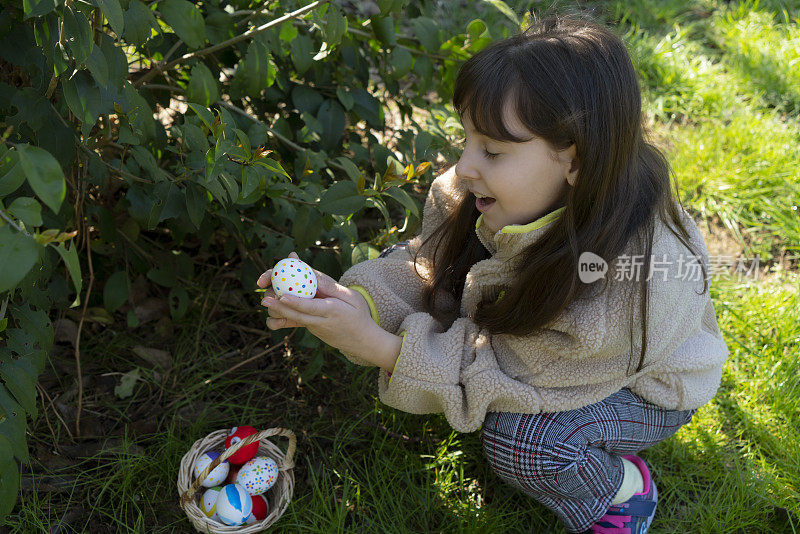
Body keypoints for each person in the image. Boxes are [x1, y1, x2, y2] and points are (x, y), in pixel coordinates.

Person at [256, 13, 730, 534]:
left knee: (522, 441)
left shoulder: (622, 287)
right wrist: (356, 303)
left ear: (575, 161)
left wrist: (380, 347)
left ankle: (621, 490)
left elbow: (507, 373)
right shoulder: (481, 194)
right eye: (467, 141)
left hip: (642, 384)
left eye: (493, 151)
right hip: (548, 358)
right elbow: (427, 266)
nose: (463, 165)